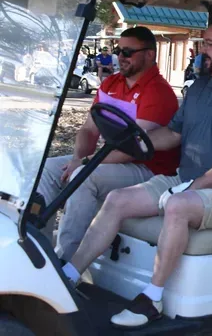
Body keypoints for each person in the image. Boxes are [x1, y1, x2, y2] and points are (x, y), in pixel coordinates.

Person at [61, 16, 212, 329]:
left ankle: (153, 298)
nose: (201, 49)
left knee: (177, 205)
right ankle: (69, 274)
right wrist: (134, 143)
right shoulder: (201, 89)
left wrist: (191, 188)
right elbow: (173, 134)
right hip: (186, 180)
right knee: (118, 200)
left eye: (209, 44)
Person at [37, 27, 180, 262]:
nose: (121, 56)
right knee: (49, 170)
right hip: (110, 160)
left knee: (84, 176)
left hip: (148, 169)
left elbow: (130, 149)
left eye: (128, 51)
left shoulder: (158, 93)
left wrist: (84, 164)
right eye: (118, 50)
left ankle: (65, 262)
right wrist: (76, 157)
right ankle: (40, 253)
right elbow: (88, 129)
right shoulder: (111, 83)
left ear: (149, 55)